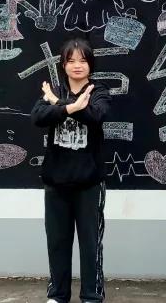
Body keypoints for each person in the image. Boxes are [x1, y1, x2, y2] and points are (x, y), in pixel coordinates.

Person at [31, 36, 112, 303]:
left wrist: (63, 105)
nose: (77, 65)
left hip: (89, 183)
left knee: (91, 244)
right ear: (63, 64)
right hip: (56, 182)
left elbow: (96, 116)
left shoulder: (98, 91)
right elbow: (38, 117)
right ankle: (57, 295)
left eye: (83, 60)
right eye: (71, 60)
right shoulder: (54, 90)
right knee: (57, 243)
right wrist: (66, 106)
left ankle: (91, 296)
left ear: (91, 64)